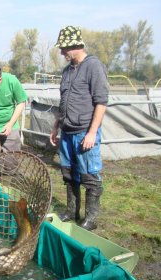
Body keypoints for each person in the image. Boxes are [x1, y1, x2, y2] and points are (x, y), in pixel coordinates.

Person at [49, 26, 108, 231]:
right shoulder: (67, 71)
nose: (62, 52)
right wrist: (56, 126)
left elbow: (101, 102)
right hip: (66, 131)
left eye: (64, 49)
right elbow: (63, 101)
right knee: (69, 173)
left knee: (89, 175)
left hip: (84, 131)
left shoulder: (93, 66)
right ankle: (72, 210)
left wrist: (92, 132)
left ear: (75, 45)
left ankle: (91, 218)